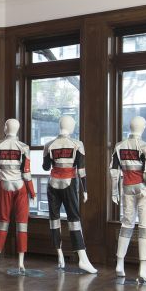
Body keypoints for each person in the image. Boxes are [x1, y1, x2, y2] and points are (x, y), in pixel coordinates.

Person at [42, 116, 97, 273]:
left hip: (52, 184)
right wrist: (85, 190)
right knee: (74, 219)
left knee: (54, 219)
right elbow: (81, 171)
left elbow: (46, 167)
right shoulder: (77, 144)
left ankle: (59, 255)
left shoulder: (48, 145)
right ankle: (82, 258)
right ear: (71, 126)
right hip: (69, 183)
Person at [110, 116, 146, 282]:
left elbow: (114, 172)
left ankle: (119, 264)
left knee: (126, 225)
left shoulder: (119, 146)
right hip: (143, 190)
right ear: (143, 127)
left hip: (127, 189)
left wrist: (114, 193)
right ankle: (143, 269)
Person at [0, 119, 35, 273]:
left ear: (5, 128)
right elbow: (27, 173)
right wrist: (33, 192)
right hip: (20, 185)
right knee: (22, 223)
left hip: (4, 185)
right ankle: (21, 263)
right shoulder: (23, 147)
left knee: (2, 222)